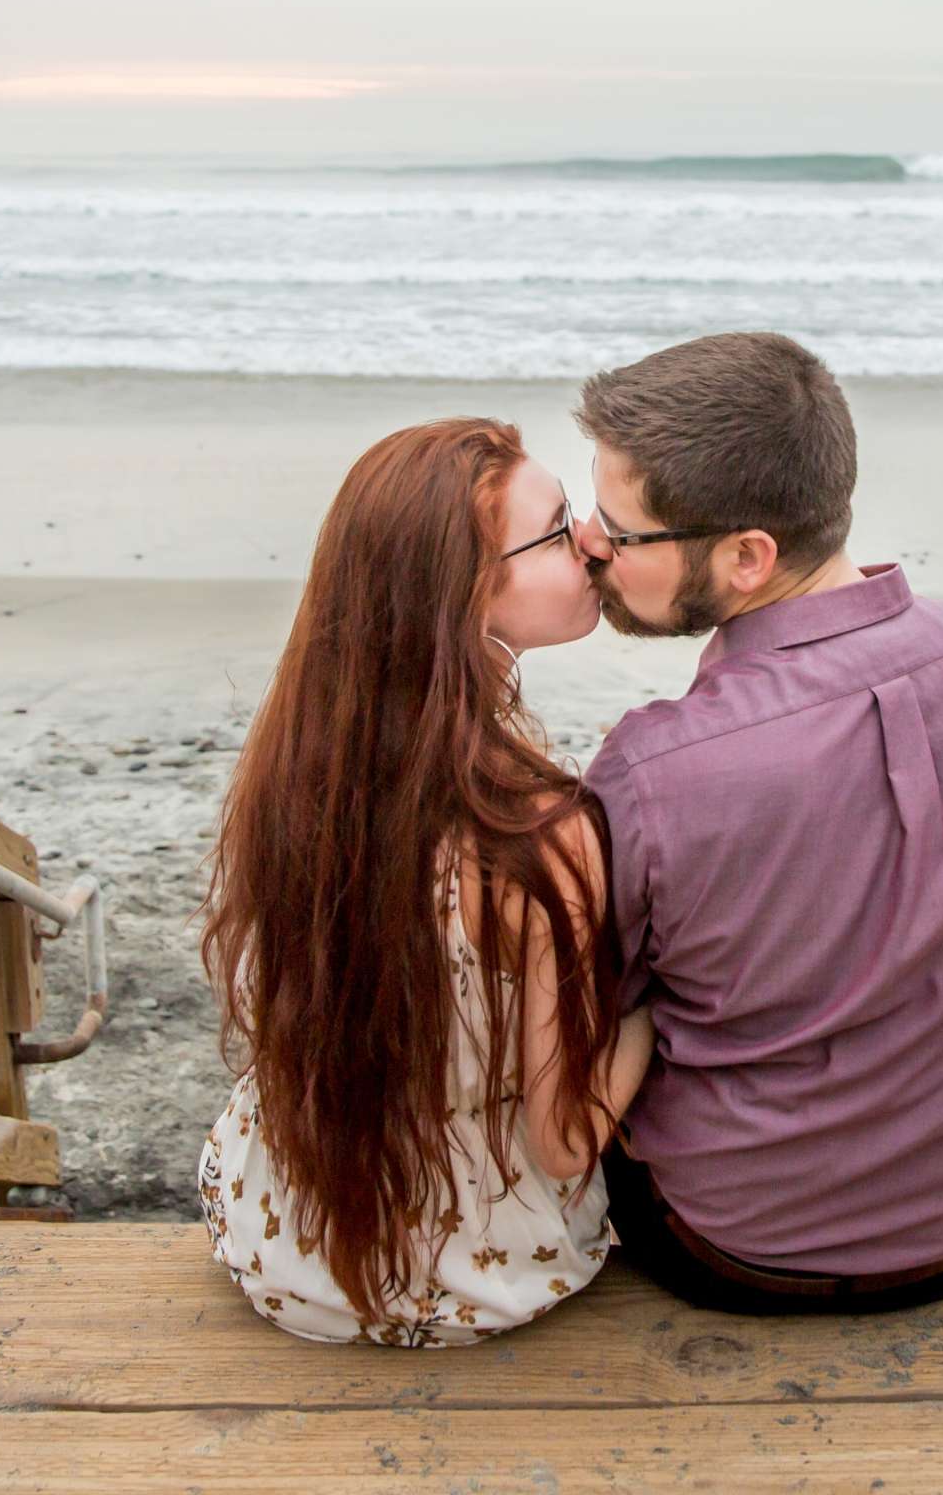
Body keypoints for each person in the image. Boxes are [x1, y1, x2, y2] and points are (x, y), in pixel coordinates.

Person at [573, 332, 943, 1315]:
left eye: (621, 531)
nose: (589, 546)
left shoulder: (654, 770)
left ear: (747, 557)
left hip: (729, 1250)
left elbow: (585, 1025)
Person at [196, 417, 653, 1346]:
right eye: (562, 528)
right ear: (472, 591)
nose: (595, 542)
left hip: (287, 1249)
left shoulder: (299, 769)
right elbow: (566, 1137)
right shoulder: (539, 834)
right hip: (481, 1282)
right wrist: (662, 1005)